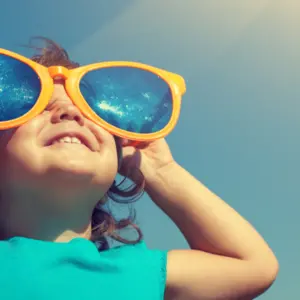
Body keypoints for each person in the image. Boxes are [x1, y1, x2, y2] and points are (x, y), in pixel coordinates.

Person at [0, 38, 278, 300]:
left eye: (90, 114)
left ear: (118, 158)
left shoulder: (137, 270)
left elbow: (253, 265)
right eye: (38, 108)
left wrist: (160, 169)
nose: (69, 114)